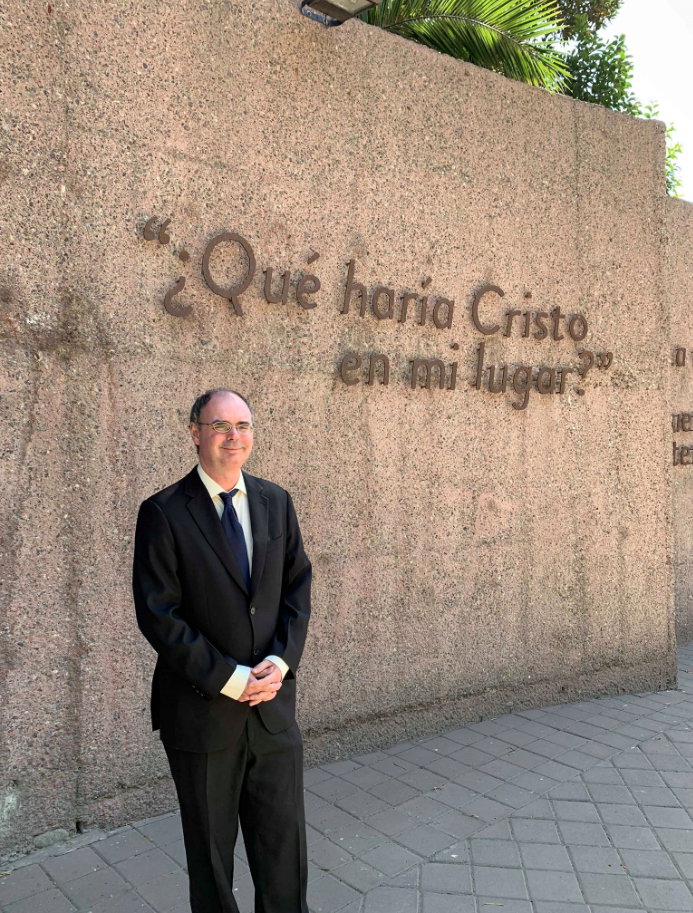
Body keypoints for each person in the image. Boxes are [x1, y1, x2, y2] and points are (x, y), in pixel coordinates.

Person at [133, 388, 311, 913]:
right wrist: (231, 678)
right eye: (220, 426)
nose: (234, 437)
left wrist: (280, 661)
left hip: (272, 710)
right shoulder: (163, 512)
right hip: (203, 714)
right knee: (211, 859)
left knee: (284, 849)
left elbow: (297, 587)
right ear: (195, 433)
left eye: (243, 425)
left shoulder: (276, 501)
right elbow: (159, 615)